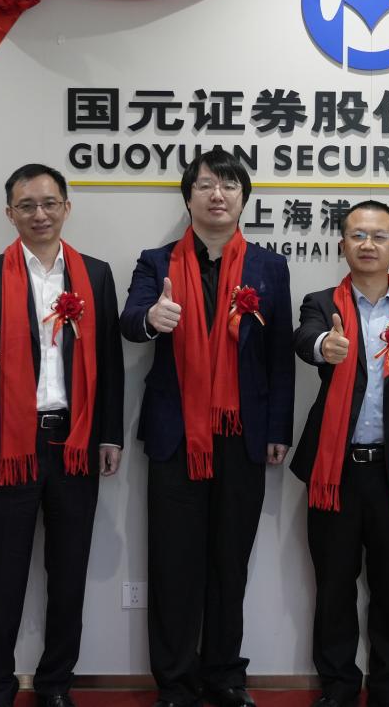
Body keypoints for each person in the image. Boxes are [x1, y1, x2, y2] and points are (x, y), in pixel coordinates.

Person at [0, 163, 123, 707]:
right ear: (10, 213)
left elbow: (110, 361)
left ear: (67, 207)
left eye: (49, 203)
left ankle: (55, 684)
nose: (39, 214)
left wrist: (109, 435)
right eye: (26, 205)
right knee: (0, 576)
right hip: (9, 444)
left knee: (68, 575)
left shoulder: (96, 273)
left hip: (75, 442)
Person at [121, 149, 295, 707]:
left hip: (243, 435)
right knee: (173, 562)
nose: (217, 195)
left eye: (228, 185)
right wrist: (152, 319)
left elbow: (278, 356)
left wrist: (278, 428)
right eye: (205, 185)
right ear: (188, 197)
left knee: (229, 561)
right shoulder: (157, 263)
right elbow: (129, 321)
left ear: (243, 198)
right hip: (176, 436)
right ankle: (175, 681)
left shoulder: (268, 267)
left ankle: (224, 673)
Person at [290, 200, 389, 707]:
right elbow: (306, 339)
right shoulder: (321, 303)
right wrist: (324, 346)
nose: (367, 244)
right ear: (342, 244)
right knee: (334, 585)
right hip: (334, 468)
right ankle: (337, 686)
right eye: (357, 234)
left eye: (379, 236)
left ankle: (388, 687)